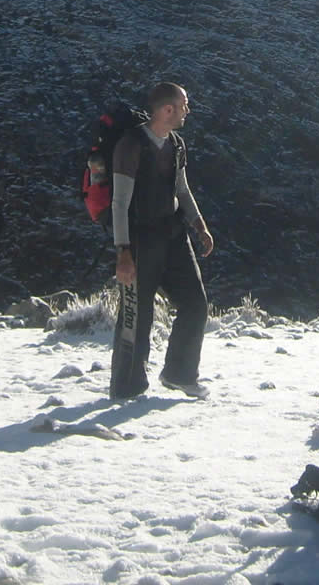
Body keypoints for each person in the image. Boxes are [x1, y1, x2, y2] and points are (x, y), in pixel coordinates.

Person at [109, 81, 215, 400]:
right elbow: (120, 203)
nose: (187, 111)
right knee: (137, 314)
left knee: (195, 304)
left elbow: (181, 189)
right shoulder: (131, 146)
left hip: (173, 234)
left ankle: (179, 374)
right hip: (140, 239)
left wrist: (200, 226)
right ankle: (126, 386)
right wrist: (123, 253)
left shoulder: (176, 143)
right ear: (167, 109)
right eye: (184, 105)